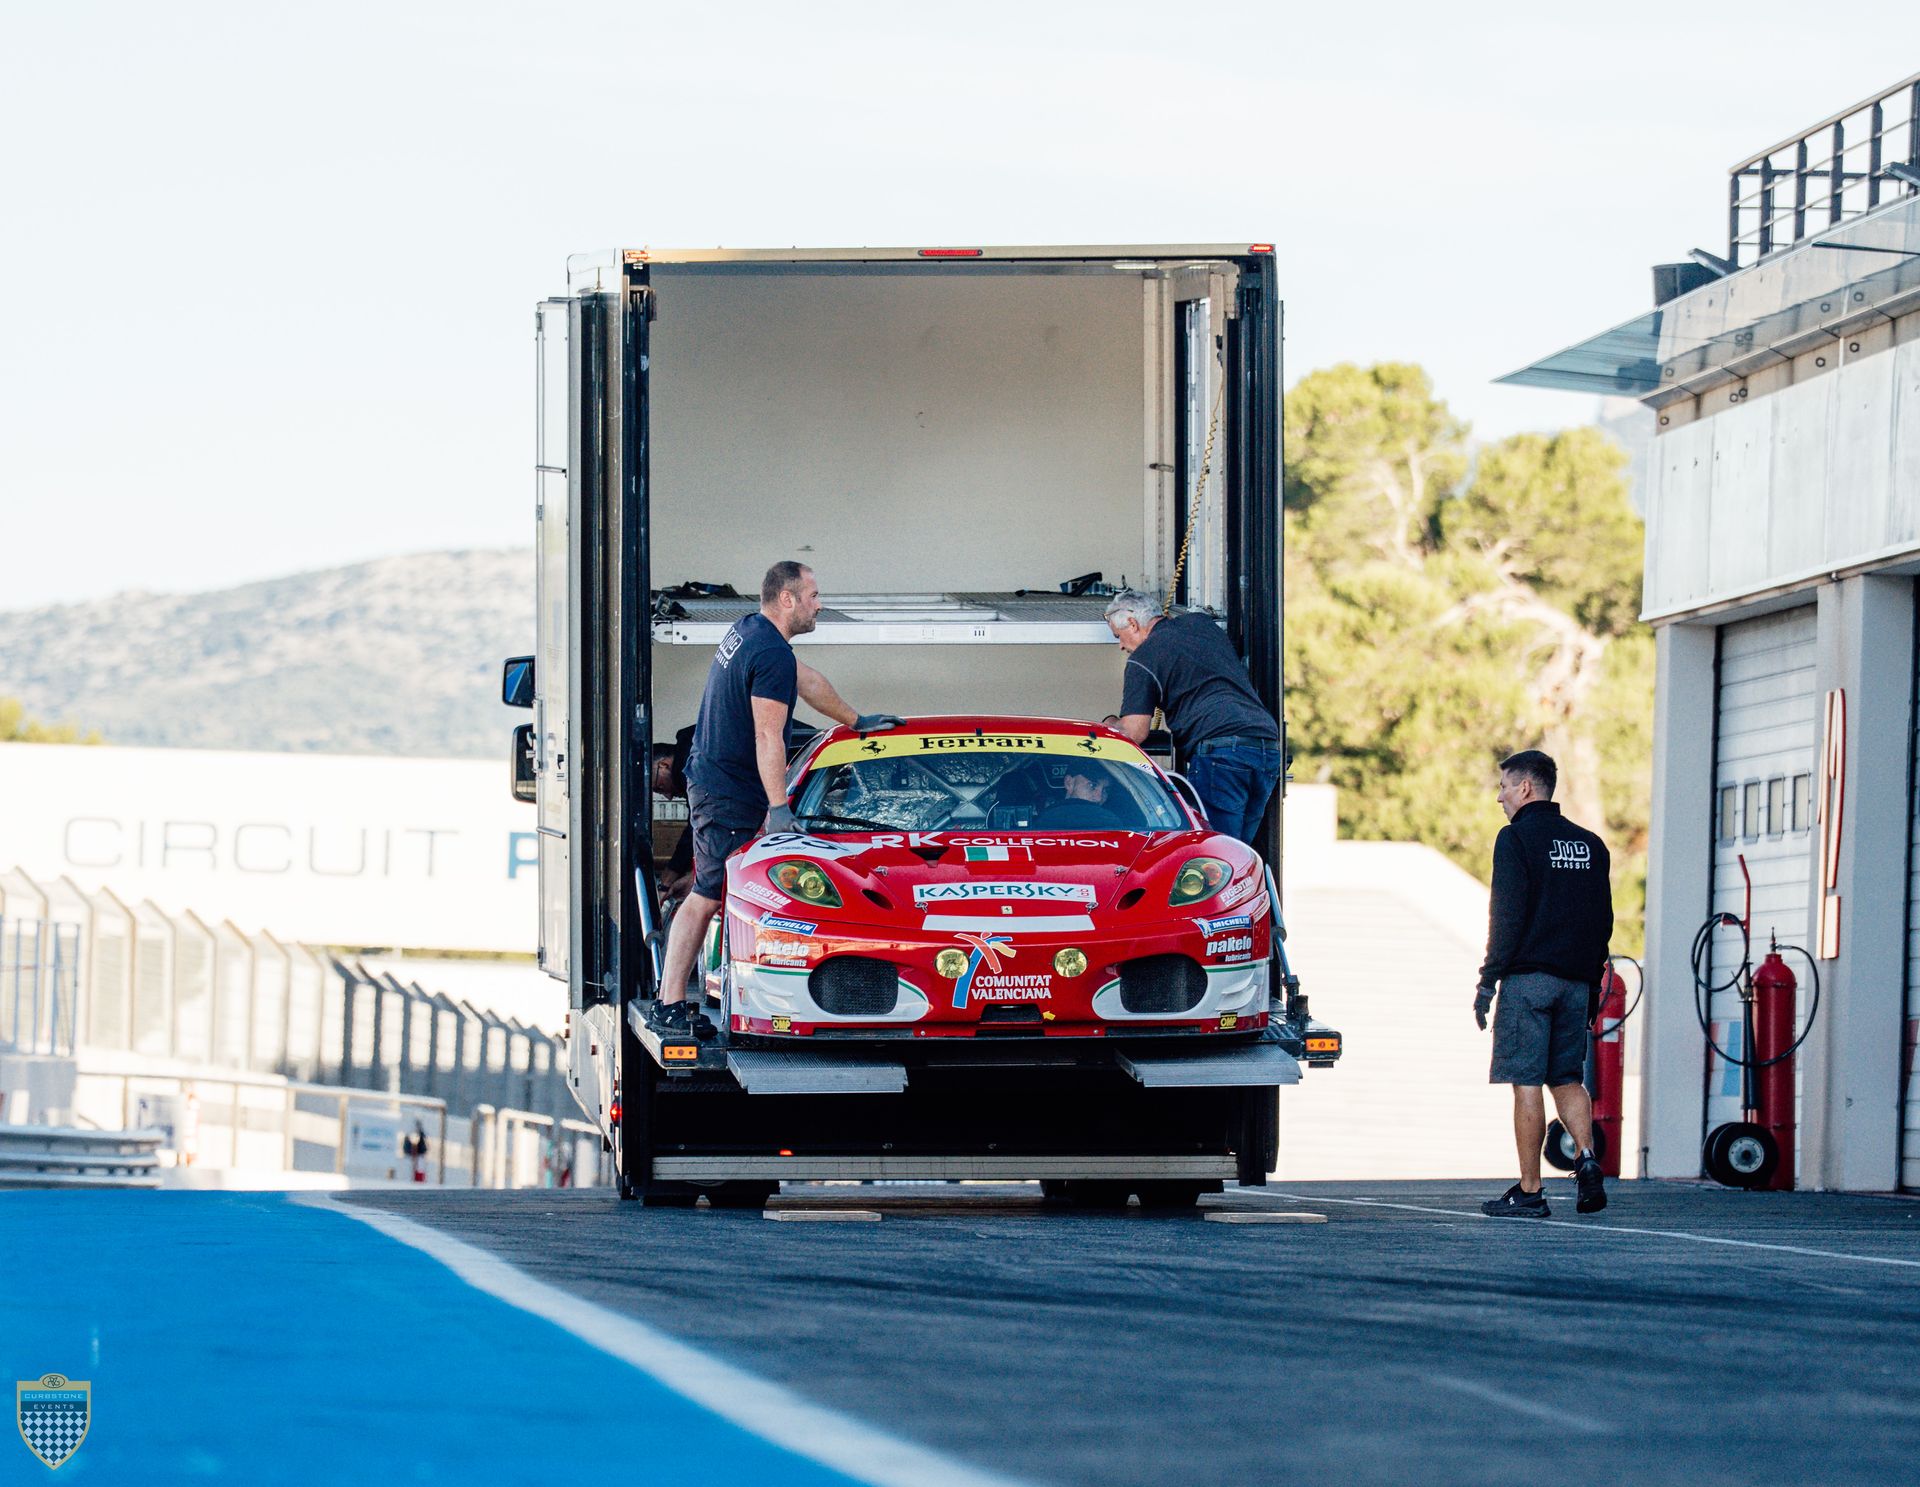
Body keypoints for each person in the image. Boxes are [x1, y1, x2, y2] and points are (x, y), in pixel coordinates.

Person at [647, 561, 901, 1036]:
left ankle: (687, 996)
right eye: (813, 595)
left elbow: (808, 681)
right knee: (706, 895)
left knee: (715, 891)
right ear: (787, 598)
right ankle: (671, 1002)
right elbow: (769, 737)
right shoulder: (768, 651)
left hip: (718, 782)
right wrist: (779, 809)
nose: (819, 605)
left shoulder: (752, 632)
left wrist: (855, 720)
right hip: (726, 791)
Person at [1474, 749, 1613, 1219]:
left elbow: (1506, 915)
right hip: (1576, 984)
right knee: (1567, 1078)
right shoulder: (1591, 845)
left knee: (1527, 1082)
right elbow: (1603, 922)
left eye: (1504, 787)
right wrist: (1591, 986)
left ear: (1526, 787)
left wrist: (1487, 982)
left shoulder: (1515, 839)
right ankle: (1586, 1159)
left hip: (1529, 983)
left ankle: (1531, 1190)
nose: (1500, 798)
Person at [1103, 589, 1283, 847]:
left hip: (1221, 753)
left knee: (1214, 851)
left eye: (1118, 636)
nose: (1121, 646)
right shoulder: (1201, 625)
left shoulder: (1143, 658)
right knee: (1239, 851)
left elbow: (1134, 732)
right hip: (1266, 745)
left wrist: (1109, 724)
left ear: (1132, 623)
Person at [653, 725, 696, 901]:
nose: (669, 797)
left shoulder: (692, 764)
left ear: (663, 765)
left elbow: (697, 825)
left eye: (660, 787)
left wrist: (667, 880)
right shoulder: (693, 749)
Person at [1038, 768, 1123, 829]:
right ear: (1069, 783)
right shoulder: (1045, 822)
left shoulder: (1112, 824)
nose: (1099, 798)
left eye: (1106, 790)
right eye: (1092, 785)